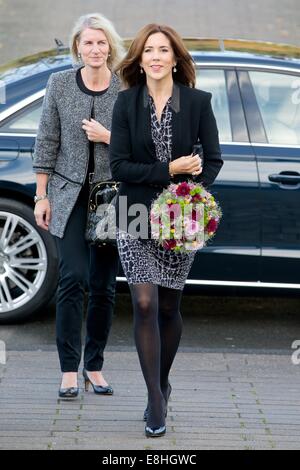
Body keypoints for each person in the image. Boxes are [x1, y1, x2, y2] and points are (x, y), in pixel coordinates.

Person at [109, 24, 223, 437]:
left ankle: (163, 382)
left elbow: (213, 160)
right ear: (140, 61)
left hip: (178, 220)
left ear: (176, 58)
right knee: (143, 304)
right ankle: (154, 399)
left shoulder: (197, 102)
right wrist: (169, 169)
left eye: (163, 50)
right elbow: (118, 166)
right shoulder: (125, 104)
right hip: (134, 213)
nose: (155, 57)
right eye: (148, 51)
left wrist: (189, 193)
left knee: (170, 307)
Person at [33, 13, 124, 399]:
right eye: (88, 43)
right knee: (73, 278)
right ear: (77, 47)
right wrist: (42, 195)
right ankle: (69, 369)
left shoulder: (126, 87)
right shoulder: (59, 84)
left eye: (102, 43)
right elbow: (47, 141)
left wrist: (109, 137)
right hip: (68, 195)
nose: (96, 49)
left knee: (104, 286)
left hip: (113, 199)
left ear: (111, 47)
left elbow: (142, 146)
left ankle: (95, 366)